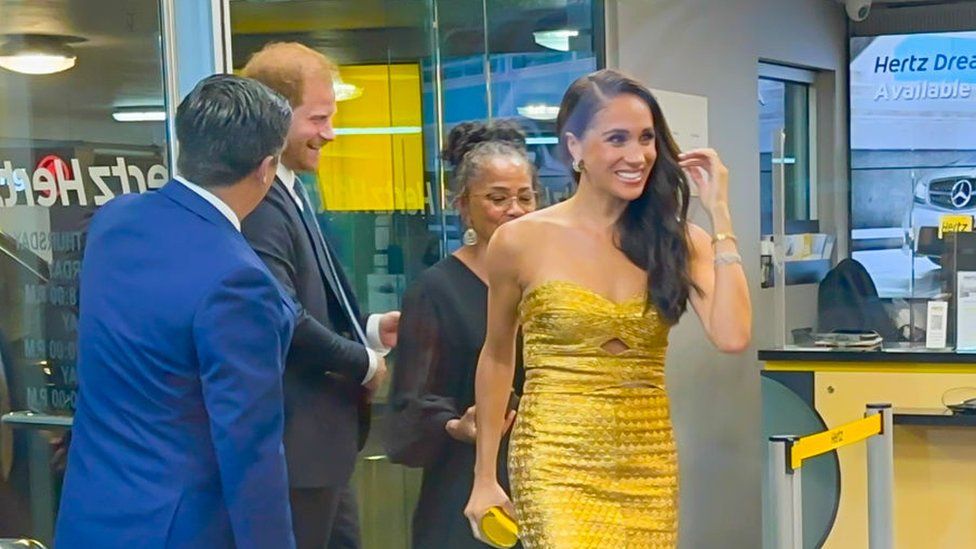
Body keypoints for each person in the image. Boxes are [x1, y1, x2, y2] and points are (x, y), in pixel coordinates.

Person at [464, 69, 752, 548]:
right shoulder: (521, 241)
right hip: (555, 458)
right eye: (616, 139)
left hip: (648, 459)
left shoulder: (677, 241)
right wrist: (483, 475)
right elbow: (496, 356)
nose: (636, 156)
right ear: (574, 147)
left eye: (645, 138)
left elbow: (732, 335)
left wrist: (719, 214)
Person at [55, 74, 296, 548]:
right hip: (181, 529)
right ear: (266, 168)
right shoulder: (239, 281)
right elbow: (250, 449)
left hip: (90, 514)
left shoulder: (115, 220)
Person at [240, 42, 400, 549]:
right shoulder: (260, 201)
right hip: (297, 451)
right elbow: (283, 316)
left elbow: (310, 299)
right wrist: (365, 363)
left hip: (322, 449)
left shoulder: (291, 188)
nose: (329, 134)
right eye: (319, 118)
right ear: (274, 115)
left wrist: (370, 328)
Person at [384, 120, 535, 549]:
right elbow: (408, 406)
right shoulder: (435, 291)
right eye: (498, 198)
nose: (515, 209)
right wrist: (456, 424)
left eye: (525, 197)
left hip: (546, 482)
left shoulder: (550, 284)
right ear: (464, 207)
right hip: (465, 489)